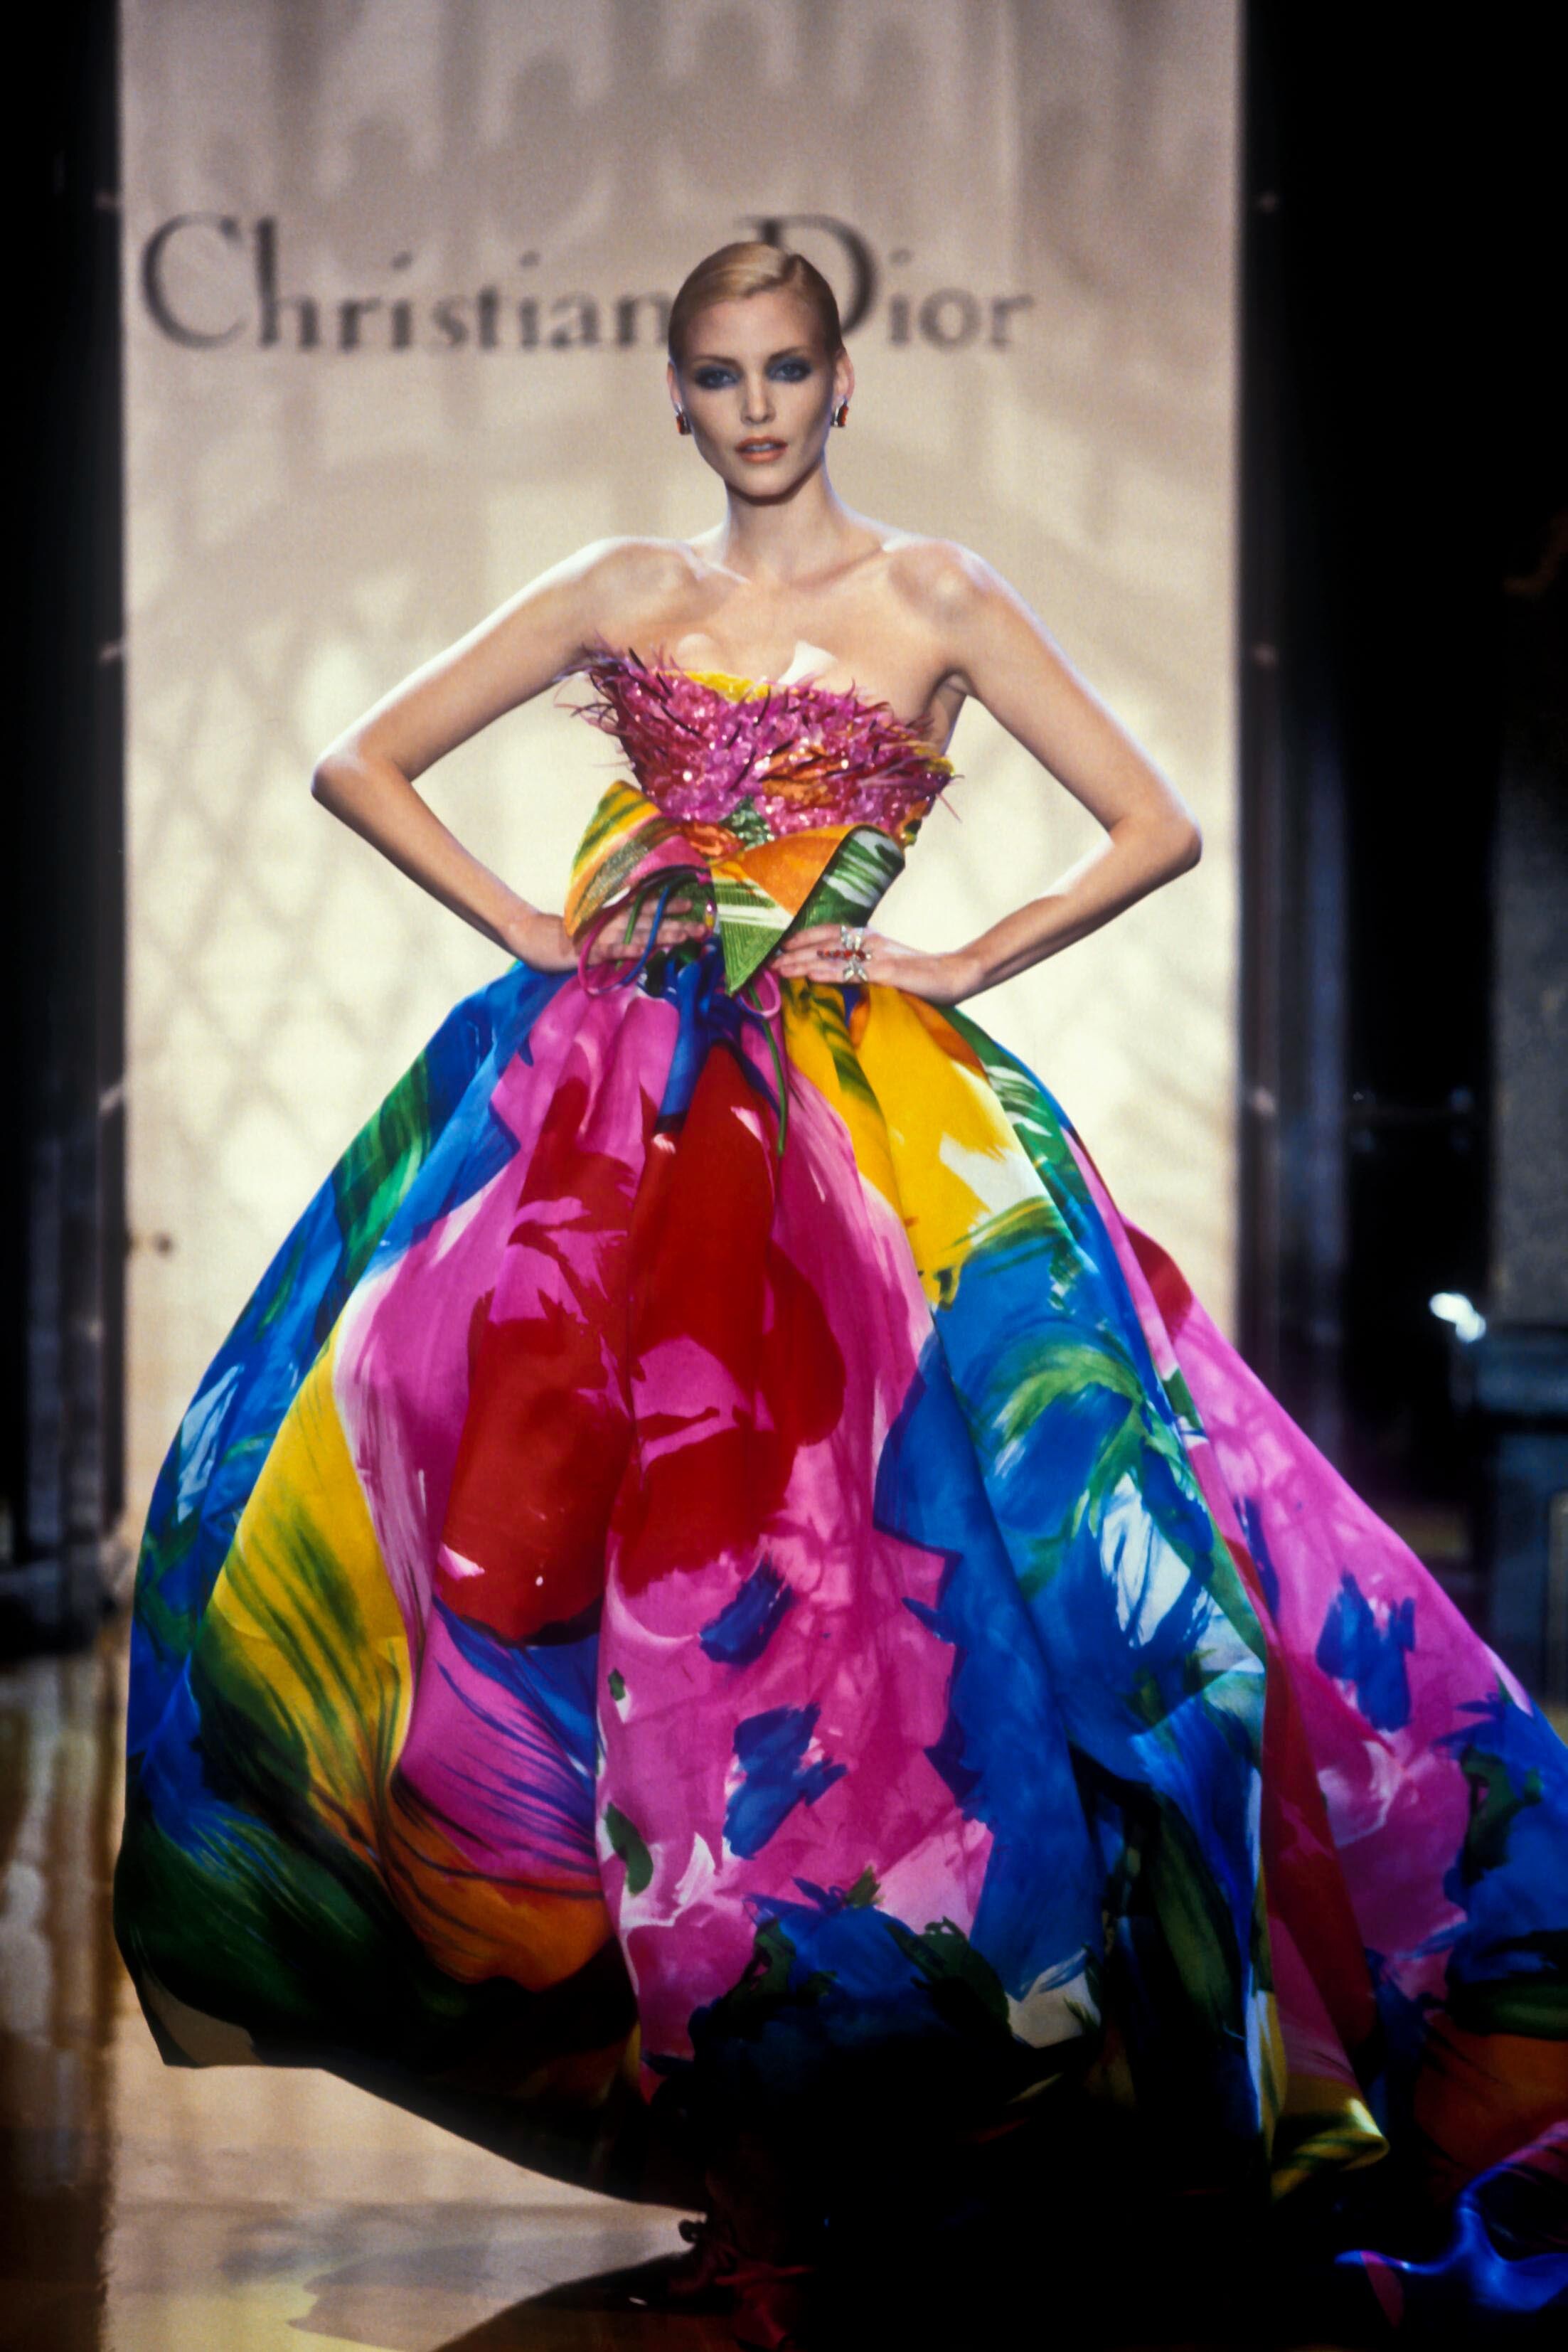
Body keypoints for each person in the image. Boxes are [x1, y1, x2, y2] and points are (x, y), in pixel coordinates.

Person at [114, 241, 1567, 2351]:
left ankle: (935, 2097)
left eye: (787, 370)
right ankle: (753, 2145)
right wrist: (541, 928)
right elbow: (359, 760)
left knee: (897, 1596)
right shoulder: (628, 587)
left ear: (844, 382)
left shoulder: (937, 597)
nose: (758, 407)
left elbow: (1153, 824)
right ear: (678, 398)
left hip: (863, 1143)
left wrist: (962, 961)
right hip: (618, 1129)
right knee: (616, 1601)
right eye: (720, 376)